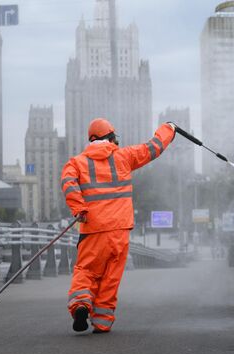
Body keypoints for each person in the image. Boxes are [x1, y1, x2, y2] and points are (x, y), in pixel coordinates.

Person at [61, 118, 176, 333]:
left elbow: (68, 183)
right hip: (120, 232)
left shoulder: (76, 162)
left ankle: (81, 305)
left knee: (86, 270)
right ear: (112, 138)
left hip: (92, 229)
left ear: (92, 139)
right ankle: (102, 323)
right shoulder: (124, 156)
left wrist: (79, 208)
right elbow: (154, 147)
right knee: (111, 277)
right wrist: (169, 128)